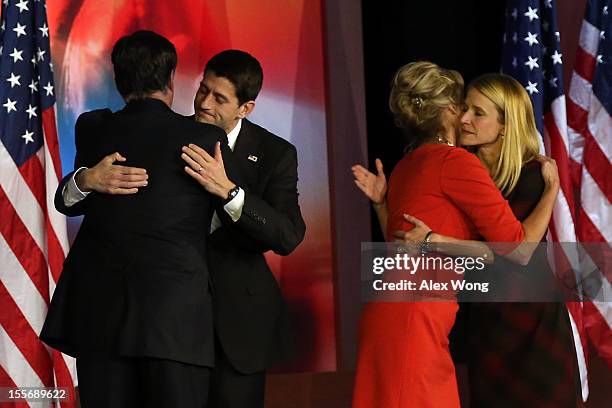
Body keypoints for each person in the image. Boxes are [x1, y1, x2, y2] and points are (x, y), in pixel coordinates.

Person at [54, 49, 306, 408]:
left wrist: (231, 193)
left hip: (233, 328)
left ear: (245, 108)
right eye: (203, 89)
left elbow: (287, 235)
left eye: (219, 98)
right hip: (165, 324)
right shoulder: (168, 134)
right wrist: (86, 181)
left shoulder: (275, 153)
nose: (204, 102)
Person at [40, 30, 236, 407]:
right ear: (171, 77)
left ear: (118, 79)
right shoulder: (205, 136)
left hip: (103, 324)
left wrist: (84, 180)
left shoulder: (93, 126)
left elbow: (67, 204)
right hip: (175, 325)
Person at [359, 74, 579, 406]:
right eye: (464, 109)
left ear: (505, 124)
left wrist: (551, 190)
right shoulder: (459, 168)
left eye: (478, 113)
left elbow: (517, 253)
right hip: (484, 323)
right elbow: (405, 244)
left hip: (532, 323)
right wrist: (383, 206)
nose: (465, 119)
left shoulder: (531, 174)